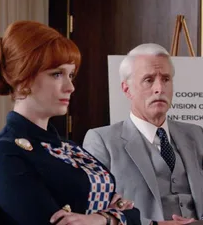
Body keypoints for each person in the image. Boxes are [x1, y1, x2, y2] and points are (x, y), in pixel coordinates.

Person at [0, 20, 141, 225]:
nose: (70, 87)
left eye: (71, 75)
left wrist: (100, 219)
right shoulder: (5, 154)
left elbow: (134, 214)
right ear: (23, 79)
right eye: (57, 74)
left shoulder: (68, 148)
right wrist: (113, 216)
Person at [83, 43, 203, 225]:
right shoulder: (102, 141)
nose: (159, 88)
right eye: (148, 80)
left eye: (165, 79)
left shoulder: (195, 134)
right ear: (126, 89)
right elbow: (95, 211)